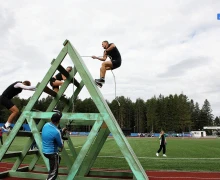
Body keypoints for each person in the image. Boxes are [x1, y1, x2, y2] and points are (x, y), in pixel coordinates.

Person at [42, 111, 65, 180]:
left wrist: (61, 131)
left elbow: (51, 133)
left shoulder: (45, 125)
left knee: (57, 161)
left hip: (45, 152)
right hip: (52, 153)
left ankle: (51, 171)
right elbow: (61, 145)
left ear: (51, 119)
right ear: (59, 121)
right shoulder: (56, 132)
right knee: (54, 174)